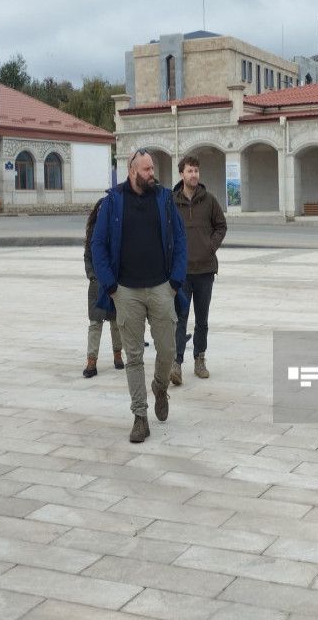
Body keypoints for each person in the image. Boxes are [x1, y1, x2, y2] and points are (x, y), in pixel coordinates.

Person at [91, 148, 187, 443]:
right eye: (146, 170)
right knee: (133, 357)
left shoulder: (165, 199)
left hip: (161, 287)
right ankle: (140, 416)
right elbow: (98, 245)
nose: (152, 174)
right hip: (126, 291)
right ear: (132, 172)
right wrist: (111, 287)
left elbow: (181, 240)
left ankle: (160, 387)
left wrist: (175, 282)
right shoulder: (112, 203)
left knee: (168, 350)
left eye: (152, 169)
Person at [171, 155, 227, 384]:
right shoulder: (172, 203)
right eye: (190, 171)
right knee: (180, 319)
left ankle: (200, 358)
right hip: (182, 273)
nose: (194, 175)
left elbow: (221, 226)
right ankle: (176, 362)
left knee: (202, 319)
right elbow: (166, 233)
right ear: (181, 174)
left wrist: (210, 247)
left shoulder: (209, 200)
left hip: (205, 271)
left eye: (196, 171)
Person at [83, 196, 123, 377]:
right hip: (97, 284)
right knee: (95, 323)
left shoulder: (117, 231)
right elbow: (88, 257)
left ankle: (117, 354)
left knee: (116, 323)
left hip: (114, 283)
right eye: (99, 211)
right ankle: (92, 360)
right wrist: (92, 276)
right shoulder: (92, 233)